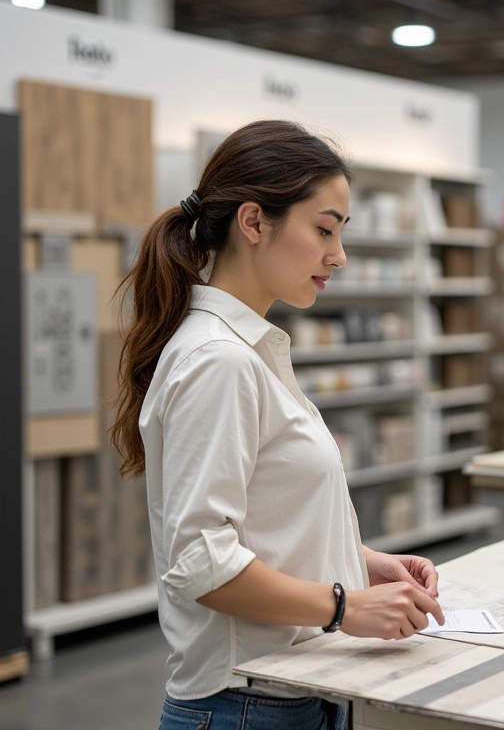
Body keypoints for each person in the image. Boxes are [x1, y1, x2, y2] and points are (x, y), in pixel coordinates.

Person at [111, 119, 445, 730]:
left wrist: (358, 561)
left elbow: (261, 517)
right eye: (324, 230)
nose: (337, 255)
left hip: (291, 693)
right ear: (254, 221)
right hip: (244, 707)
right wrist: (346, 605)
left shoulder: (247, 349)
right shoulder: (220, 359)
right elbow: (201, 562)